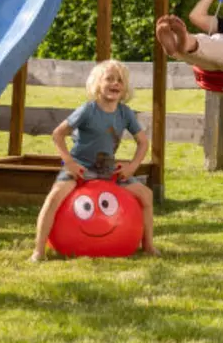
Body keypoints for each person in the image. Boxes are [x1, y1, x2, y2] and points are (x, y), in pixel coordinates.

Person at [32, 59, 157, 261]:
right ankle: (38, 251)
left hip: (107, 169)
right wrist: (69, 163)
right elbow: (58, 134)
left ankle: (148, 245)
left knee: (147, 195)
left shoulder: (124, 113)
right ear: (98, 84)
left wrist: (132, 166)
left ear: (124, 87)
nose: (115, 83)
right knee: (54, 197)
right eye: (109, 79)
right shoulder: (88, 110)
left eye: (120, 80)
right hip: (79, 167)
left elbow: (143, 142)